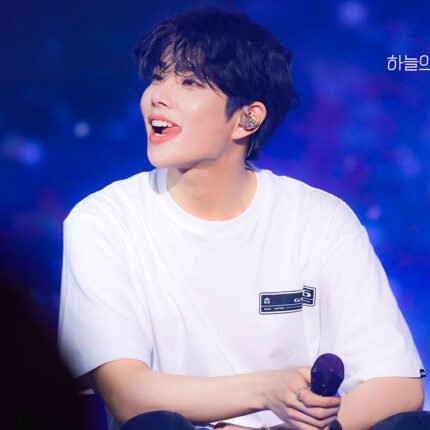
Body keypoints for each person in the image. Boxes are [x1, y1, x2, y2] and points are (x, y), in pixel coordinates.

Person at [58, 7, 428, 430]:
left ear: (248, 118)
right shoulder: (104, 220)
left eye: (189, 82)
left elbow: (398, 386)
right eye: (158, 77)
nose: (158, 96)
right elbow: (128, 395)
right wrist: (265, 389)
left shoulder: (321, 220)